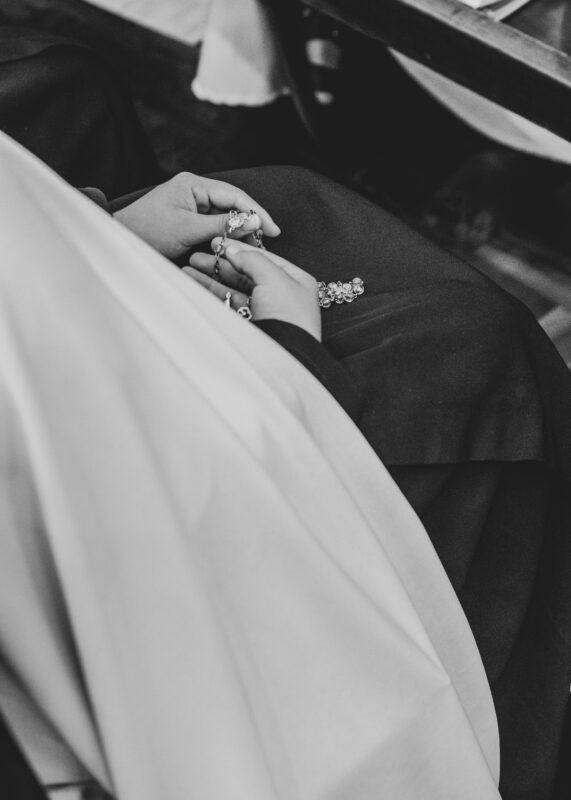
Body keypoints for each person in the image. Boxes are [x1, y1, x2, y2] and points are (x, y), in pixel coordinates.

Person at [1, 28, 570, 800]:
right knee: (472, 350)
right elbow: (143, 497)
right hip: (152, 525)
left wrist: (103, 228)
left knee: (285, 196)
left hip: (61, 331)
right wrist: (288, 347)